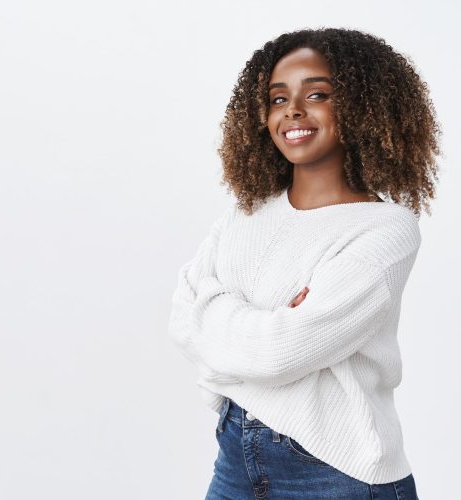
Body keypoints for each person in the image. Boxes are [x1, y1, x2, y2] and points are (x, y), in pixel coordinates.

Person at [167, 27, 441, 499]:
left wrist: (214, 308)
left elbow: (279, 354)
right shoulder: (247, 212)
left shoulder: (385, 229)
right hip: (235, 453)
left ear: (363, 107)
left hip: (335, 470)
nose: (292, 110)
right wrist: (267, 321)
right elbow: (180, 317)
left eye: (317, 94)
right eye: (277, 98)